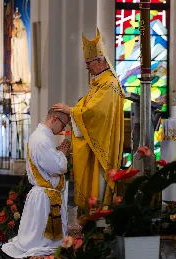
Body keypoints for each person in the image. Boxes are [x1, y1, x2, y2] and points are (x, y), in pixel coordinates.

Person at [52, 28, 125, 210]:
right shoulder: (99, 83)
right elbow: (85, 106)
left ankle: (99, 220)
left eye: (89, 63)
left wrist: (71, 111)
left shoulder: (109, 84)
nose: (87, 67)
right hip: (94, 142)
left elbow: (96, 113)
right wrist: (72, 112)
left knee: (98, 184)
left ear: (100, 61)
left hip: (102, 145)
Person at [0, 108, 71, 259]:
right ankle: (6, 255)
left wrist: (57, 154)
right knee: (37, 243)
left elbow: (47, 164)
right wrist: (62, 153)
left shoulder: (42, 137)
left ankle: (7, 255)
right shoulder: (41, 139)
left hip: (44, 195)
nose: (63, 129)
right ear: (55, 119)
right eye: (63, 125)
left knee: (36, 239)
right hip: (44, 197)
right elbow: (58, 167)